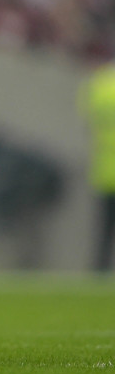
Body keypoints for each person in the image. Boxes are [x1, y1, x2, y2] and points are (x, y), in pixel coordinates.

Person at [78, 61, 115, 271]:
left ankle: (99, 274)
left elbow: (87, 121)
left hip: (103, 172)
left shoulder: (97, 85)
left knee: (104, 232)